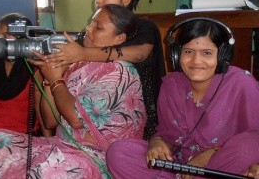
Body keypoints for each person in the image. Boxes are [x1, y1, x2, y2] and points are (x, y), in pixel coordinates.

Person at [0, 4, 147, 178]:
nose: (88, 29)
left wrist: (56, 80)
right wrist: (50, 77)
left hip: (95, 155)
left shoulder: (119, 72)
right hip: (63, 145)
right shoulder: (78, 64)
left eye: (98, 27)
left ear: (119, 38)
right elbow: (50, 121)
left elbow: (76, 120)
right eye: (91, 23)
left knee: (49, 171)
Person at [106, 17, 259, 178]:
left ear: (222, 56)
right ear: (176, 55)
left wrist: (210, 155)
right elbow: (166, 134)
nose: (196, 61)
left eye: (207, 53)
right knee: (119, 153)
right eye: (188, 52)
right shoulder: (171, 85)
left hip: (221, 167)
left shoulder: (241, 83)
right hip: (178, 167)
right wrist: (157, 142)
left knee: (250, 146)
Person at [46, 0, 166, 140]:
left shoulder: (144, 27)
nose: (98, 0)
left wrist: (81, 53)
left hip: (140, 110)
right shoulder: (93, 34)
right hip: (99, 108)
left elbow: (138, 54)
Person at [0, 13, 50, 137]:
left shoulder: (34, 67)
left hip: (22, 135)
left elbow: (39, 108)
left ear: (22, 39)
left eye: (5, 36)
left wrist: (48, 140)